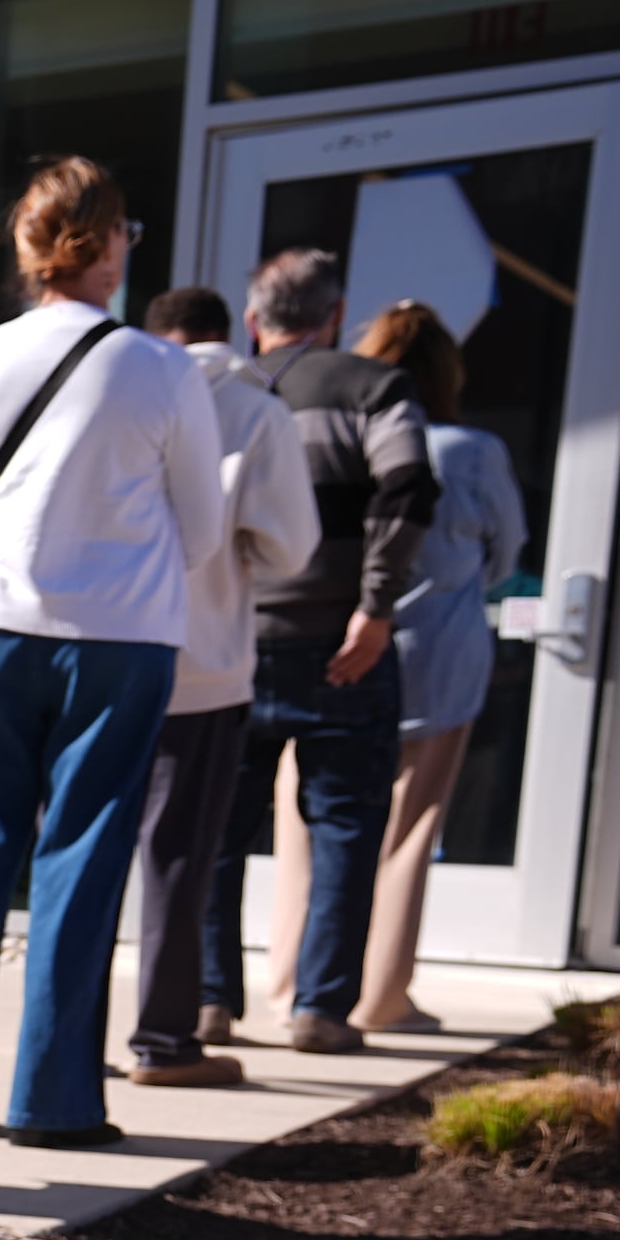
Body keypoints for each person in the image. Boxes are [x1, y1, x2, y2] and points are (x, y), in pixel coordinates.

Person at [0, 157, 224, 1148]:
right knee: (81, 864)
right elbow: (205, 529)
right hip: (117, 644)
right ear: (115, 242)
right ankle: (55, 1102)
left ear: (28, 246)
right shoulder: (165, 369)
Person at [201, 246, 427, 1056]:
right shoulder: (376, 389)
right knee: (346, 826)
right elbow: (406, 490)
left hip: (233, 643)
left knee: (216, 829)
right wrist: (375, 609)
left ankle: (207, 1002)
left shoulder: (224, 398)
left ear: (255, 320)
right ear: (336, 316)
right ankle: (321, 1012)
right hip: (344, 647)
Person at [120, 285, 318, 1090]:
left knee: (87, 854)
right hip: (203, 665)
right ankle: (163, 1040)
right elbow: (290, 548)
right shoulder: (254, 410)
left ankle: (63, 1045)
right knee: (178, 857)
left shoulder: (119, 388)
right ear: (233, 329)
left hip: (101, 650)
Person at [328, 298, 515, 1033]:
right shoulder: (472, 452)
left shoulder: (348, 441)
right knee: (408, 830)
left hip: (338, 651)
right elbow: (502, 557)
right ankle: (380, 997)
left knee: (317, 821)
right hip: (438, 655)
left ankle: (295, 987)